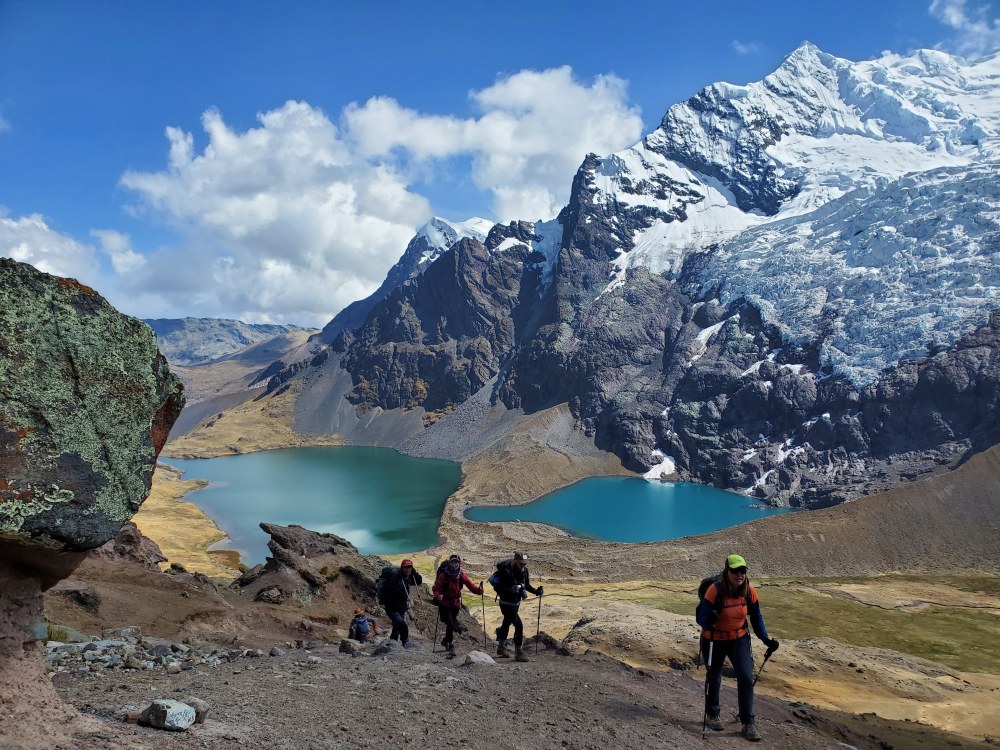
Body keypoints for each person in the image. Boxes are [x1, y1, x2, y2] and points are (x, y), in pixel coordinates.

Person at [696, 554, 779, 743]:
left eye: (742, 570)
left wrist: (766, 639)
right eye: (735, 570)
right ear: (727, 571)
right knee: (714, 676)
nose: (739, 574)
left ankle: (748, 722)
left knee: (745, 676)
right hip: (714, 639)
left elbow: (756, 616)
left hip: (738, 639)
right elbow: (701, 617)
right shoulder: (714, 590)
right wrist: (708, 620)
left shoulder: (749, 590)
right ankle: (713, 715)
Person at [491, 551, 542, 662]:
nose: (523, 566)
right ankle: (519, 653)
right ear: (515, 561)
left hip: (515, 603)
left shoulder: (524, 571)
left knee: (506, 623)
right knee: (519, 625)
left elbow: (526, 585)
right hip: (506, 603)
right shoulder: (506, 571)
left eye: (525, 564)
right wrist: (510, 590)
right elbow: (499, 587)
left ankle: (501, 648)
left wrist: (536, 591)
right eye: (521, 563)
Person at [432, 554, 483, 654]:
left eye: (456, 562)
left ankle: (446, 641)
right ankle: (451, 646)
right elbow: (436, 589)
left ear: (459, 563)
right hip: (445, 604)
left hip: (455, 604)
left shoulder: (461, 575)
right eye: (452, 562)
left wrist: (479, 591)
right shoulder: (443, 576)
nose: (454, 564)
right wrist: (438, 596)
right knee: (451, 625)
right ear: (449, 563)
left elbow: (471, 586)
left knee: (450, 625)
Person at [381, 558, 422, 648]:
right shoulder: (395, 577)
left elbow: (418, 581)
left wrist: (414, 572)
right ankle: (405, 642)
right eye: (406, 567)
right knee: (402, 625)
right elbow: (392, 588)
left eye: (410, 567)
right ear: (402, 567)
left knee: (397, 626)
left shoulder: (408, 577)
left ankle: (393, 641)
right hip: (392, 607)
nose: (408, 569)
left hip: (402, 607)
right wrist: (399, 578)